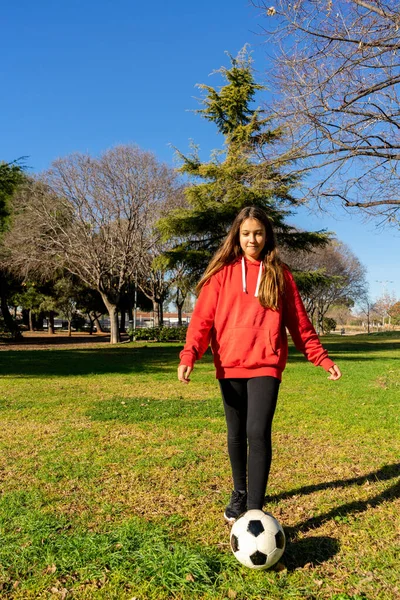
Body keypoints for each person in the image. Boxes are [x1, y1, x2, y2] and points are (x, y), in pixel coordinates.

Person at [177, 206, 342, 524]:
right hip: (229, 364)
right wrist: (190, 355)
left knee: (258, 431)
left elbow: (299, 323)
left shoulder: (281, 275)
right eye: (246, 233)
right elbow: (202, 321)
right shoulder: (221, 273)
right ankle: (239, 493)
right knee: (236, 432)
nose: (252, 239)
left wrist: (320, 357)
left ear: (267, 236)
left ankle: (254, 506)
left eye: (258, 233)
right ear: (237, 236)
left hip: (266, 364)